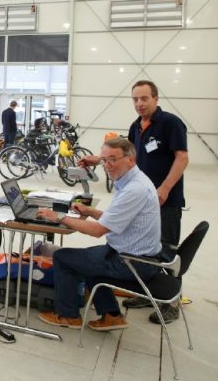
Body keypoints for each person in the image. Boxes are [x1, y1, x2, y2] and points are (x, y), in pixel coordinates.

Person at [80, 80, 188, 324]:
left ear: (155, 99)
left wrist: (165, 188)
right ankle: (146, 293)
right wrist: (98, 160)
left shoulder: (170, 123)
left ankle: (172, 302)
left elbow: (182, 158)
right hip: (142, 198)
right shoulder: (136, 126)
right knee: (145, 249)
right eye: (135, 99)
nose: (139, 104)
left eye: (144, 99)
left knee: (167, 250)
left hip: (165, 199)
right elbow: (125, 154)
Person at [36, 137, 161, 332]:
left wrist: (58, 216)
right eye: (103, 160)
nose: (107, 165)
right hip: (135, 256)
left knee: (63, 257)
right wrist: (91, 212)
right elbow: (117, 219)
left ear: (130, 159)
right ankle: (111, 315)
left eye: (113, 159)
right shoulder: (133, 180)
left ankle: (68, 316)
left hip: (132, 263)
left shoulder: (134, 190)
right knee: (90, 258)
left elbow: (98, 231)